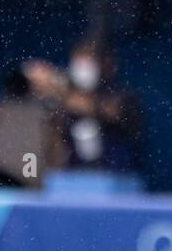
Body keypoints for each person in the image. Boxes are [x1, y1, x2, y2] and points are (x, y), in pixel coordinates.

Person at [24, 39, 145, 175]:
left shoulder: (124, 96)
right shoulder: (60, 101)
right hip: (73, 183)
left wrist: (53, 85)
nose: (83, 66)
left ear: (109, 64)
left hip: (119, 183)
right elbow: (54, 158)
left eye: (89, 59)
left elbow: (104, 109)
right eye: (79, 59)